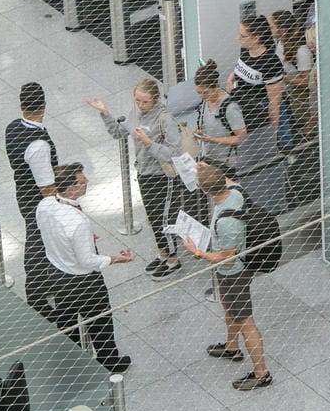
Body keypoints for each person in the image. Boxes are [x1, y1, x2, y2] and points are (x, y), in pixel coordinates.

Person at [88, 80, 196, 278]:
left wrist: (149, 143)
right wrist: (105, 113)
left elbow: (174, 152)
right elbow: (118, 132)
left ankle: (173, 260)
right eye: (137, 100)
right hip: (144, 174)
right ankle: (163, 254)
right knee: (154, 218)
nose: (140, 105)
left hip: (163, 176)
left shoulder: (165, 119)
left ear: (155, 99)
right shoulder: (136, 112)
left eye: (145, 101)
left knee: (164, 218)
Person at [35, 164, 134, 374]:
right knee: (100, 323)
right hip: (84, 283)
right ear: (71, 189)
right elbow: (87, 260)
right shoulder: (77, 222)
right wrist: (116, 258)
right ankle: (109, 362)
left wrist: (81, 240)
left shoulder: (44, 205)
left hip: (56, 273)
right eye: (82, 181)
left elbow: (48, 232)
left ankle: (73, 364)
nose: (86, 181)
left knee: (67, 322)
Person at [187, 162, 271, 391]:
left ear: (205, 192)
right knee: (229, 306)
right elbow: (227, 180)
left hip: (234, 273)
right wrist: (207, 169)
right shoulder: (237, 190)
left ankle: (261, 372)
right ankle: (232, 346)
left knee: (246, 320)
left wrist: (196, 251)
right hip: (236, 270)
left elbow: (226, 258)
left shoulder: (226, 223)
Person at [6, 82, 60, 310]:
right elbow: (47, 186)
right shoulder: (38, 144)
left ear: (21, 105)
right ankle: (38, 293)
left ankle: (40, 287)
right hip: (38, 201)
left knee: (35, 236)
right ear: (44, 105)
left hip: (23, 193)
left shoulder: (12, 127)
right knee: (39, 242)